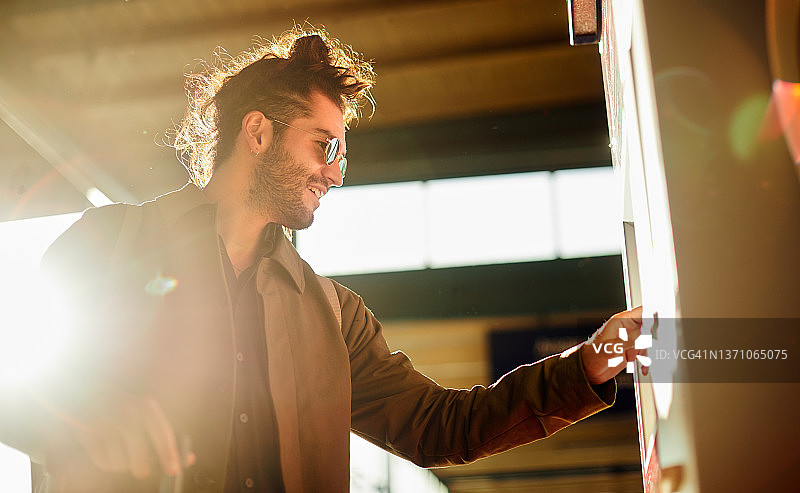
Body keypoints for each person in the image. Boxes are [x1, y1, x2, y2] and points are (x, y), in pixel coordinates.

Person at [3, 26, 644, 493]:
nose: (336, 174)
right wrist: (82, 412)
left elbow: (439, 426)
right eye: (325, 146)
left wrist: (585, 366)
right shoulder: (107, 243)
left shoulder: (335, 317)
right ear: (257, 133)